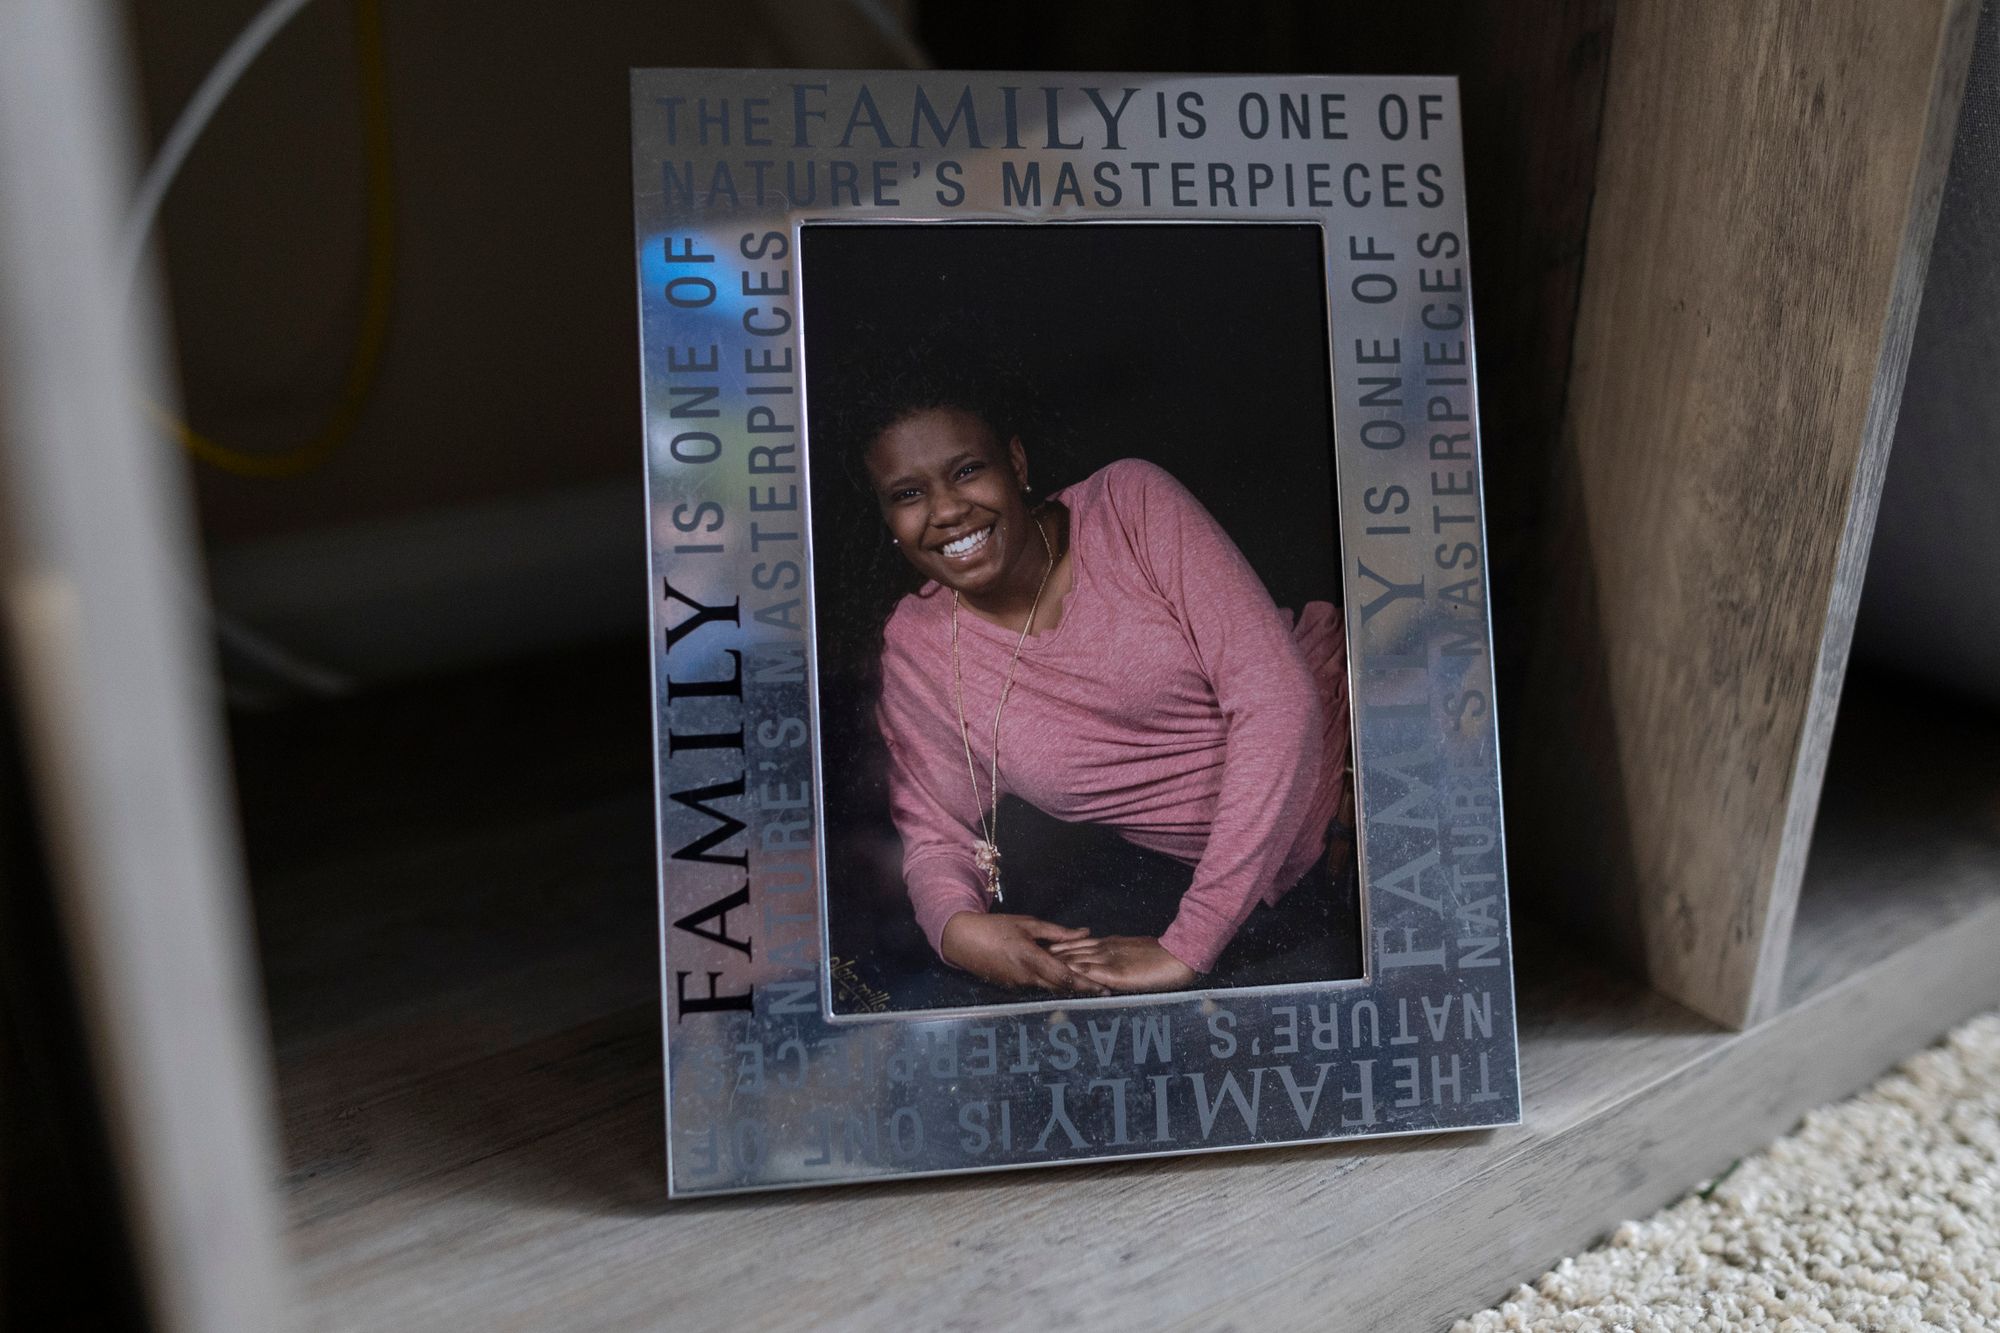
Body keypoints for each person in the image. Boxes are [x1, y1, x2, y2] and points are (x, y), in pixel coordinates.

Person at [858, 392, 1352, 998]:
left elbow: (1276, 703)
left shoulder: (1128, 507)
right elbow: (935, 831)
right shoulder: (921, 648)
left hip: (1380, 782)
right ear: (887, 518)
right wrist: (959, 931)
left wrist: (1190, 942)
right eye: (908, 494)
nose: (947, 510)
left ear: (1015, 462)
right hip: (1273, 891)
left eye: (967, 471)